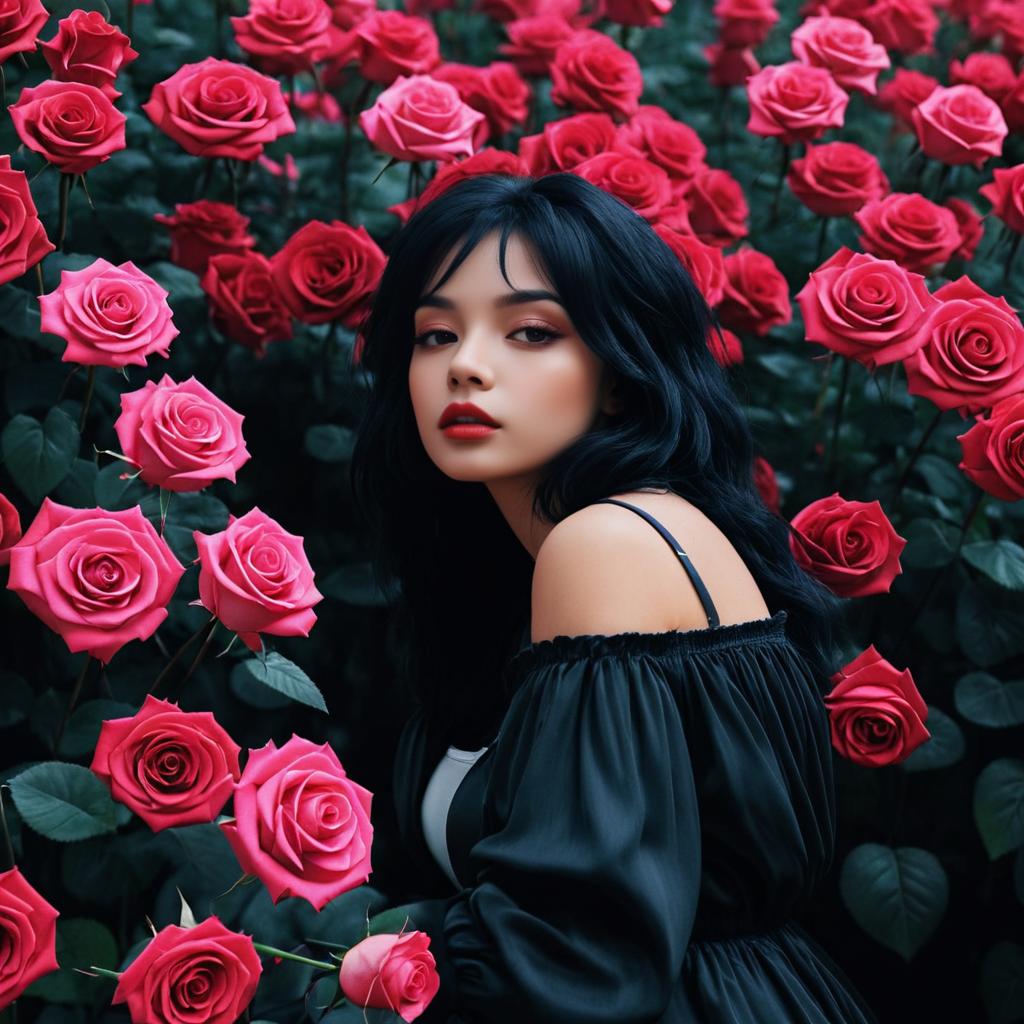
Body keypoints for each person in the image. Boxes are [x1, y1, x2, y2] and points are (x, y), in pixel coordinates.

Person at [349, 172, 879, 1023]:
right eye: (435, 334)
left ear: (622, 375)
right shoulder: (541, 564)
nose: (467, 368)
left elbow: (577, 952)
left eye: (530, 332)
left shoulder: (608, 544)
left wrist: (356, 955)